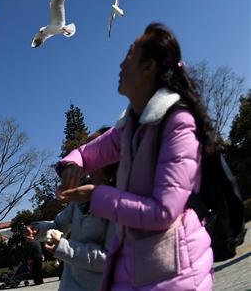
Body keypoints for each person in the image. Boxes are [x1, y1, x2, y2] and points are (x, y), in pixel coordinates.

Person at [57, 23, 215, 290]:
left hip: (176, 272)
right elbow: (89, 152)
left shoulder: (178, 124)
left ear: (148, 67)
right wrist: (72, 164)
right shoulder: (131, 127)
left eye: (129, 54)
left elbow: (163, 211)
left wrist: (95, 196)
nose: (120, 64)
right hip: (141, 265)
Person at [36, 127, 117, 291]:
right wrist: (38, 229)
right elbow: (59, 225)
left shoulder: (121, 202)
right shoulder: (81, 196)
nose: (85, 153)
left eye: (92, 147)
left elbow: (108, 258)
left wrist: (64, 247)